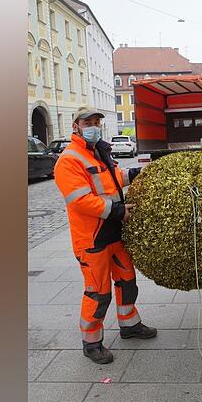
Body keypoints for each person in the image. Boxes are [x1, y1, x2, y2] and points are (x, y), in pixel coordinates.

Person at [54, 107, 157, 363]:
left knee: (127, 281)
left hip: (115, 233)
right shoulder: (69, 159)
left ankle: (129, 325)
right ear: (75, 126)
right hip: (93, 239)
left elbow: (113, 179)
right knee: (98, 292)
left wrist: (135, 174)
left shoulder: (99, 152)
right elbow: (80, 200)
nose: (93, 126)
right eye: (87, 122)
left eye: (96, 122)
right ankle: (91, 343)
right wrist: (118, 210)